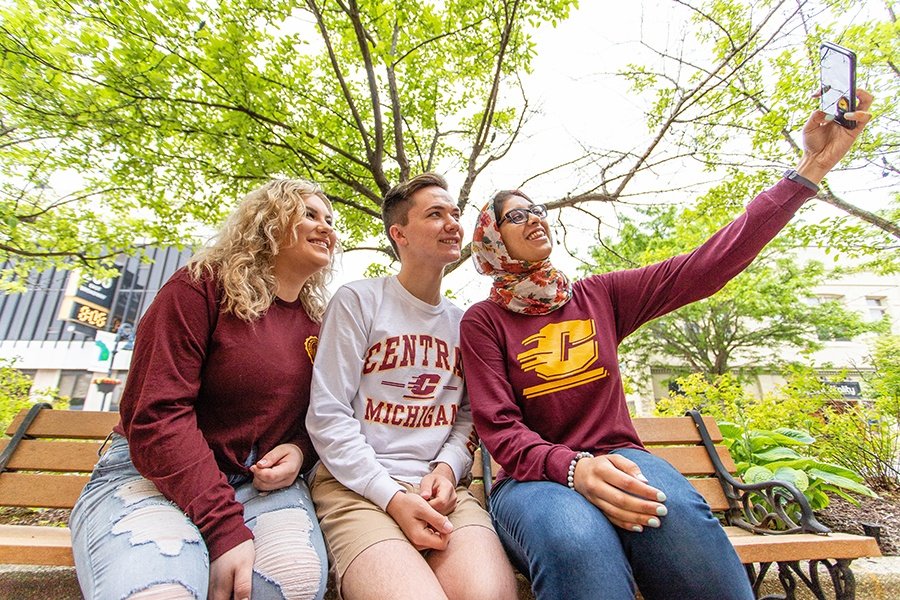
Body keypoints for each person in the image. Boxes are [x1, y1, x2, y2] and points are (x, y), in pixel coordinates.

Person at [459, 92, 874, 600]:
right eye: (516, 215)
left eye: (538, 208)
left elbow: (706, 265)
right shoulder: (483, 321)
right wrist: (573, 469)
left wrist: (809, 169)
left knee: (678, 516)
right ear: (491, 239)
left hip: (621, 455)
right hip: (532, 477)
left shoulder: (599, 296)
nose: (535, 217)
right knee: (576, 540)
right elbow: (499, 429)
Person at [70, 179, 338, 600]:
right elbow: (157, 414)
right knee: (161, 590)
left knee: (295, 581)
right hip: (153, 475)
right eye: (310, 214)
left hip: (257, 484)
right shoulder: (200, 288)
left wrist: (302, 449)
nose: (326, 228)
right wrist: (223, 528)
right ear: (269, 221)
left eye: (330, 220)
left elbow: (324, 413)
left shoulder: (318, 324)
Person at [306, 173, 517, 600]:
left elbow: (468, 417)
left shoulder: (466, 323)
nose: (453, 223)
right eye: (435, 214)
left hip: (441, 489)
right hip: (357, 488)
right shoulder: (358, 301)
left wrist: (446, 469)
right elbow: (328, 415)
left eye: (455, 214)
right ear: (398, 233)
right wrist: (391, 497)